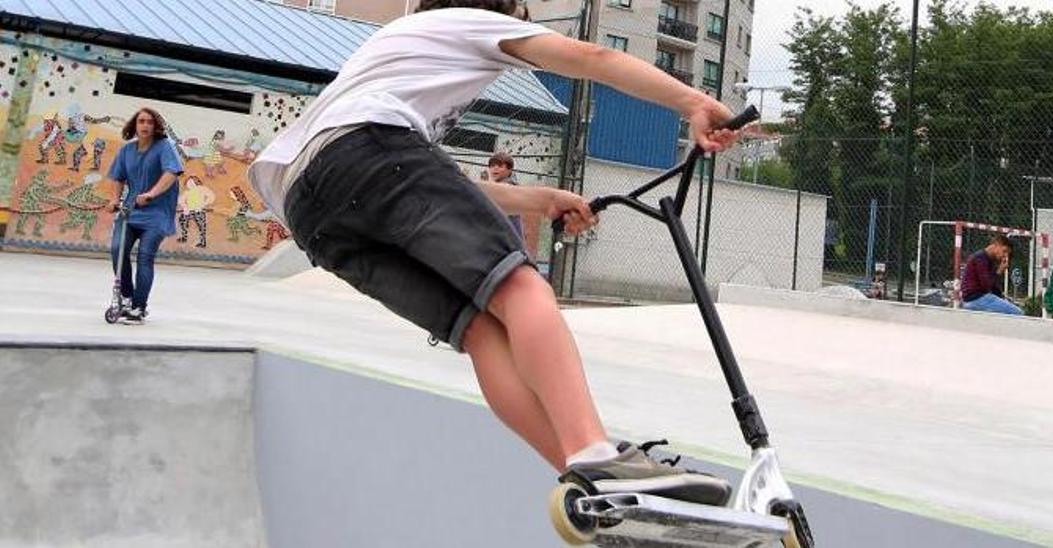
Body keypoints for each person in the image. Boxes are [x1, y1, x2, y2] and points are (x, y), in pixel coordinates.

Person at [247, 0, 741, 506]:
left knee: (481, 332)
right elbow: (594, 56)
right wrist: (692, 102)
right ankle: (595, 453)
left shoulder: (398, 57)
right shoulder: (467, 21)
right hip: (368, 149)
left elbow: (426, 180)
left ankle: (592, 482)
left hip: (311, 211)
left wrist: (539, 199)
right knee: (520, 287)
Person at [105, 107, 184, 324]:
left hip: (156, 213)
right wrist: (114, 199)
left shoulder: (164, 147)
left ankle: (139, 307)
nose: (145, 125)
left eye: (150, 122)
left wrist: (151, 194)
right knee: (116, 249)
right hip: (130, 211)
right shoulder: (126, 151)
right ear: (135, 125)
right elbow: (118, 177)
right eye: (141, 121)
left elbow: (171, 173)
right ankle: (128, 297)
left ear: (156, 126)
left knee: (145, 257)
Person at [959, 234, 1023, 315]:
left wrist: (1002, 298)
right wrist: (999, 271)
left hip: (978, 297)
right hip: (976, 298)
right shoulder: (980, 258)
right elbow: (986, 285)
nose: (1005, 255)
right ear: (996, 245)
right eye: (1004, 251)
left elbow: (993, 287)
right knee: (1018, 313)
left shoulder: (988, 260)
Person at [486, 151, 524, 242]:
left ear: (509, 170)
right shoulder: (499, 184)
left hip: (509, 239)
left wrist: (489, 179)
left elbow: (495, 193)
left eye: (500, 166)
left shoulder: (509, 185)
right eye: (492, 166)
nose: (495, 168)